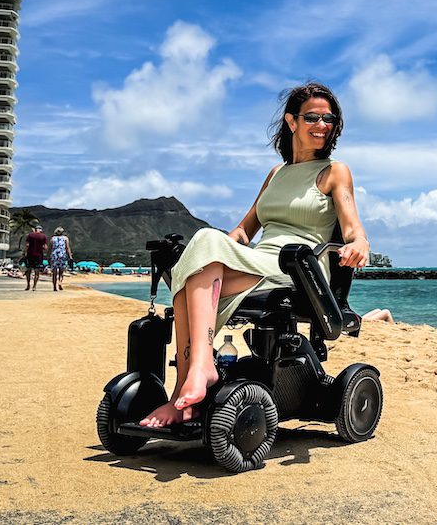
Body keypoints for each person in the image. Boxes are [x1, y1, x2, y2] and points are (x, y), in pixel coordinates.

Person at [140, 82, 372, 428]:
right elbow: (243, 231)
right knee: (193, 270)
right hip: (261, 259)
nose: (322, 125)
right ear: (292, 121)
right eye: (312, 117)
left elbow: (353, 227)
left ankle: (196, 375)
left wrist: (359, 244)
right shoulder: (276, 174)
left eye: (329, 119)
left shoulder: (335, 171)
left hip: (299, 266)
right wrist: (210, 251)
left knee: (202, 252)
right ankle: (186, 389)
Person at [22, 224, 48, 291]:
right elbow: (45, 247)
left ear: (35, 229)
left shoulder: (30, 235)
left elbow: (27, 245)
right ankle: (34, 286)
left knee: (28, 270)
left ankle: (28, 285)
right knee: (37, 271)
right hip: (39, 256)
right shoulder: (43, 236)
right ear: (41, 230)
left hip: (30, 255)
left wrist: (24, 252)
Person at [48, 227, 73, 291]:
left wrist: (48, 256)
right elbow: (67, 247)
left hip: (54, 256)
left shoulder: (52, 239)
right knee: (61, 271)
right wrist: (70, 256)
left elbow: (50, 248)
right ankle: (60, 282)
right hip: (62, 255)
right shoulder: (65, 238)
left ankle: (54, 287)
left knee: (54, 272)